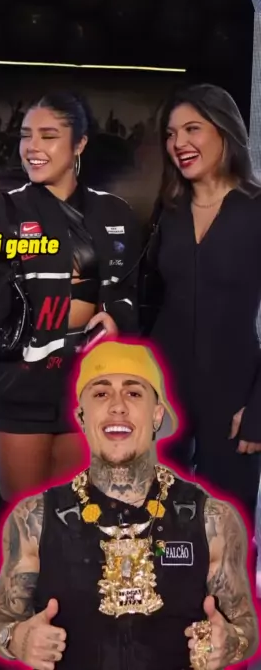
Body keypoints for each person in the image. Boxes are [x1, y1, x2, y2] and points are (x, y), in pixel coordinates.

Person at [0, 339, 258, 670]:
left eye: (134, 393)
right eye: (101, 393)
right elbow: (0, 619)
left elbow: (247, 627)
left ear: (157, 415)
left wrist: (232, 642)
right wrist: (15, 639)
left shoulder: (212, 518)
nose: (118, 406)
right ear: (81, 416)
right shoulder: (34, 518)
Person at [0, 92, 140, 501]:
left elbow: (129, 295)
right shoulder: (0, 210)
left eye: (48, 136)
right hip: (17, 388)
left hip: (89, 386)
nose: (32, 147)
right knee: (28, 517)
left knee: (76, 514)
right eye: (26, 135)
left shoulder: (115, 213)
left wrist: (115, 318)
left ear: (80, 143)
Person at [140, 83, 261, 518]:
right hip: (163, 393)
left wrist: (259, 409)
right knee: (156, 525)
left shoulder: (256, 209)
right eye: (171, 134)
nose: (179, 143)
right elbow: (149, 301)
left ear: (224, 131)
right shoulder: (169, 211)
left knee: (227, 530)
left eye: (192, 129)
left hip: (235, 396)